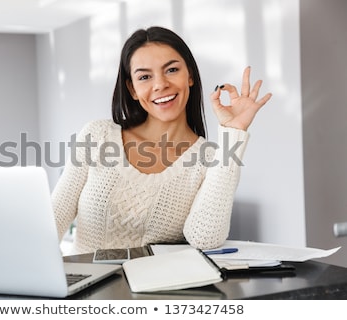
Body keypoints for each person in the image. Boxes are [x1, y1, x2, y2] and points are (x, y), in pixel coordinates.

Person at [52, 26, 272, 254]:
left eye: (171, 70)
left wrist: (233, 133)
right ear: (133, 89)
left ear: (190, 76)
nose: (160, 85)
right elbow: (53, 219)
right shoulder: (97, 136)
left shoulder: (210, 159)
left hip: (155, 288)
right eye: (145, 77)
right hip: (88, 286)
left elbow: (204, 238)